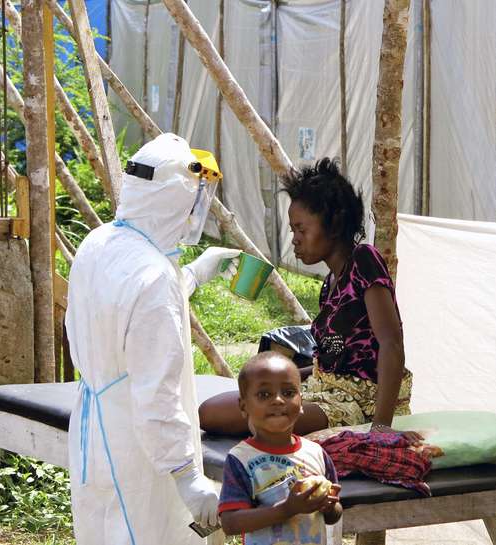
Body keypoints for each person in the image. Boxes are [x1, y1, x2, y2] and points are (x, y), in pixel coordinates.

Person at [65, 133, 241, 544]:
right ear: (175, 201)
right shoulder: (155, 280)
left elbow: (119, 309)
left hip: (94, 428)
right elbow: (156, 396)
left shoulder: (100, 241)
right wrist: (187, 478)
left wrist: (193, 273)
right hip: (139, 449)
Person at [200, 158, 421, 442]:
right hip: (322, 388)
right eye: (293, 230)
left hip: (360, 404)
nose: (295, 239)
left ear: (334, 223)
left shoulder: (364, 261)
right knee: (211, 411)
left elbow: (391, 343)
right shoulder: (330, 283)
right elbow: (329, 363)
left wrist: (380, 427)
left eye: (302, 229)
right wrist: (277, 379)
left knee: (263, 421)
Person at [218, 352, 342, 543]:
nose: (278, 400)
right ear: (244, 407)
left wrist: (329, 506)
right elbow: (231, 522)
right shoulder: (241, 459)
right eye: (264, 394)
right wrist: (286, 509)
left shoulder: (316, 452)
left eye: (288, 393)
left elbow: (334, 515)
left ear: (301, 403)